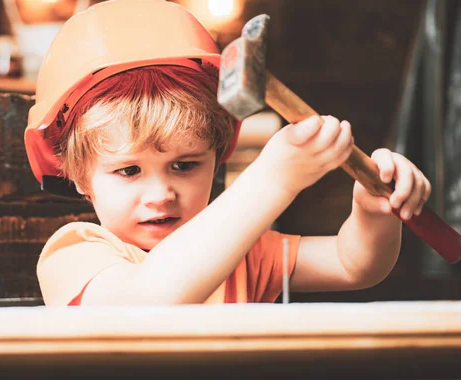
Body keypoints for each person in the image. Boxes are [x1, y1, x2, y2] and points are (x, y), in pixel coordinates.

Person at [24, 0, 432, 306]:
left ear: (215, 157)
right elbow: (143, 305)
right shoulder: (77, 253)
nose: (161, 193)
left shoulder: (245, 252)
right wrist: (273, 179)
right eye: (129, 170)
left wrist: (373, 210)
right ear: (80, 176)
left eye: (184, 165)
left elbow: (354, 265)